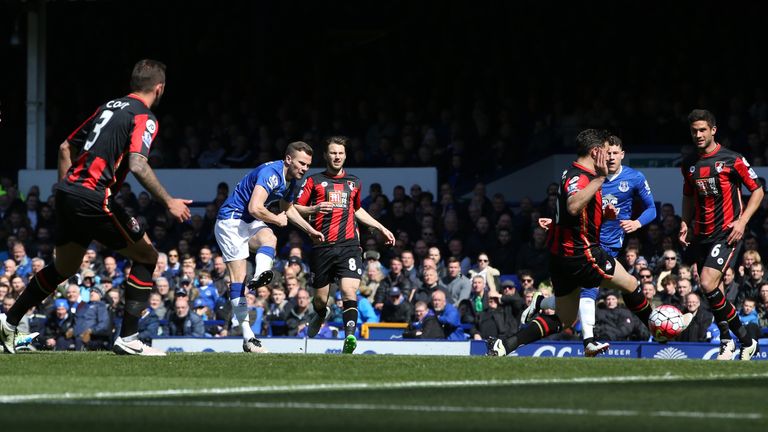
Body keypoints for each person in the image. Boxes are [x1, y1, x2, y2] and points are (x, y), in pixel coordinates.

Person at [1, 59, 190, 356]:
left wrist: (69, 191)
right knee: (148, 255)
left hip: (67, 193)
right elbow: (138, 165)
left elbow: (65, 147)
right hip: (92, 196)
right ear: (160, 88)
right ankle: (128, 337)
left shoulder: (109, 106)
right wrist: (169, 201)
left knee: (65, 267)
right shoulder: (145, 117)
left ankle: (9, 322)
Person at [487, 129, 659, 357]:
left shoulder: (573, 171)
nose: (608, 157)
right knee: (630, 285)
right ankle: (659, 331)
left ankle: (506, 345)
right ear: (596, 151)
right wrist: (600, 178)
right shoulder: (584, 177)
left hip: (562, 256)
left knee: (565, 318)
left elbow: (574, 213)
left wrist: (603, 216)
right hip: (582, 254)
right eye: (605, 152)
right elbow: (573, 206)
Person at [214, 141, 324, 353]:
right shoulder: (271, 173)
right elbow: (255, 207)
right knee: (238, 280)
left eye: (308, 165)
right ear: (288, 159)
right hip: (231, 221)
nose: (304, 168)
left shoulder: (291, 180)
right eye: (301, 163)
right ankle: (248, 337)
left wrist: (310, 231)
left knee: (269, 238)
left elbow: (288, 210)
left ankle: (262, 273)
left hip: (248, 221)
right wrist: (275, 219)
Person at [293, 136, 395, 354]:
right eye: (332, 152)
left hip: (349, 246)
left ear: (345, 155)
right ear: (325, 155)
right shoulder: (313, 181)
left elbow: (357, 210)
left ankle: (349, 335)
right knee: (320, 300)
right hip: (322, 247)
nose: (337, 156)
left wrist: (380, 227)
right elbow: (294, 207)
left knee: (349, 292)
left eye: (340, 153)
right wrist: (315, 208)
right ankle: (321, 314)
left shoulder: (354, 183)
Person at [679, 109, 763, 360]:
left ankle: (736, 340)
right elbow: (688, 196)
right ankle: (738, 341)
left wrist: (742, 222)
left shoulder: (732, 159)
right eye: (694, 131)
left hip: (726, 234)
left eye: (703, 130)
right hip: (700, 234)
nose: (698, 135)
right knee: (713, 290)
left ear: (713, 130)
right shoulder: (689, 164)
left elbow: (757, 191)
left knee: (706, 282)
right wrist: (685, 223)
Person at [576, 135, 657, 356]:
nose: (611, 157)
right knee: (590, 288)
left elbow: (652, 209)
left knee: (630, 286)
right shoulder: (590, 177)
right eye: (607, 153)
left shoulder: (635, 178)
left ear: (622, 154)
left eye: (615, 153)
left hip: (613, 247)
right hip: (590, 244)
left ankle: (541, 303)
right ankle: (589, 341)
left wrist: (637, 222)